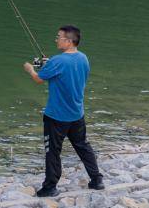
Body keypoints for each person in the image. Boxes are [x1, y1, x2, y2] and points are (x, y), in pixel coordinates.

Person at [24, 25, 103, 197]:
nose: (56, 39)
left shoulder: (58, 61)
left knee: (52, 151)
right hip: (77, 114)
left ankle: (50, 187)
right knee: (83, 146)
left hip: (56, 116)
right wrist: (49, 65)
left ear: (68, 41)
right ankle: (97, 180)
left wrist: (30, 68)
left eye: (59, 37)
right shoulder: (83, 58)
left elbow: (38, 79)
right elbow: (67, 72)